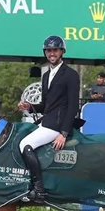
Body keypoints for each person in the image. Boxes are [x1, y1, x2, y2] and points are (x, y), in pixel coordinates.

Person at [17, 35, 80, 201]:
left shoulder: (71, 75)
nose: (52, 53)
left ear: (62, 51)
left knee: (25, 144)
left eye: (55, 50)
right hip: (46, 122)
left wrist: (63, 133)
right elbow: (45, 105)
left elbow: (73, 106)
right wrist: (29, 106)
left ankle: (39, 190)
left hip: (57, 126)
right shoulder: (46, 76)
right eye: (48, 50)